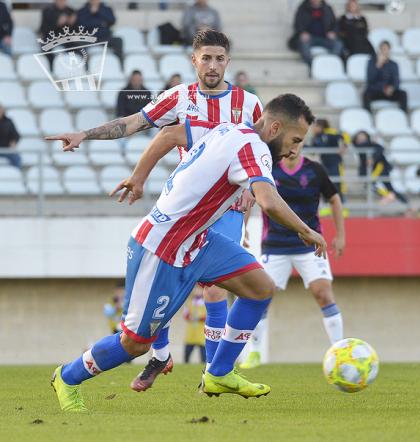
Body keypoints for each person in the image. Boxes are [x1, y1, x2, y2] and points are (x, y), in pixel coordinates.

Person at [51, 93, 327, 412]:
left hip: (198, 240)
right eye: (295, 140)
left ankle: (218, 373)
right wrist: (305, 230)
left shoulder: (231, 129)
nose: (295, 150)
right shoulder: (254, 147)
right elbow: (267, 200)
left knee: (261, 288)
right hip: (161, 245)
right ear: (276, 127)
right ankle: (67, 378)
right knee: (135, 344)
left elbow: (172, 135)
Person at [46, 29, 263, 392]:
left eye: (219, 58)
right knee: (167, 283)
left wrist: (251, 193)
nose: (212, 65)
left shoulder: (248, 104)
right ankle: (160, 353)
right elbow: (133, 123)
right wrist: (85, 134)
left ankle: (213, 374)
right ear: (194, 60)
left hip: (226, 209)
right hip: (183, 209)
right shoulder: (179, 98)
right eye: (205, 58)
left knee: (214, 289)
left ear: (228, 61)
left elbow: (256, 153)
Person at [239, 136, 347, 369]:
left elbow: (335, 199)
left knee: (323, 293)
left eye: (298, 143)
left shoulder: (315, 170)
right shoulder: (269, 170)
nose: (294, 147)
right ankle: (254, 352)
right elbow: (250, 196)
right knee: (261, 297)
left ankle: (340, 352)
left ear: (303, 145)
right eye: (291, 143)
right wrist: (243, 227)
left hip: (309, 244)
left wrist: (340, 235)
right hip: (275, 245)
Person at [353, 130, 407, 204]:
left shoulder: (372, 144)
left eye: (363, 137)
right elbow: (357, 146)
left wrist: (373, 158)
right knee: (372, 186)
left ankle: (403, 202)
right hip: (373, 170)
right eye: (359, 138)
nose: (361, 139)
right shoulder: (360, 146)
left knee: (372, 185)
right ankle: (395, 198)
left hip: (380, 168)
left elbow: (380, 149)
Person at [292, 0, 343, 66]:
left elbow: (335, 24)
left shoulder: (327, 8)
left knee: (338, 44)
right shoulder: (302, 9)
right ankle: (312, 65)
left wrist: (333, 32)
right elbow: (297, 24)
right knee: (303, 44)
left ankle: (328, 63)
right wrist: (302, 32)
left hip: (325, 38)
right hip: (310, 38)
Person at [363, 41, 408, 112]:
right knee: (366, 94)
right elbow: (370, 81)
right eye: (383, 49)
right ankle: (367, 114)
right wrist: (378, 65)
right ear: (379, 50)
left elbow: (397, 81)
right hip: (376, 91)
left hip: (389, 92)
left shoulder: (393, 64)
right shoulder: (371, 63)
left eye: (386, 49)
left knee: (403, 94)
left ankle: (403, 114)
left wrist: (392, 88)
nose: (385, 52)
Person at [310, 119, 349, 202]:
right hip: (325, 164)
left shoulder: (331, 132)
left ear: (320, 126)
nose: (313, 128)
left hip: (336, 163)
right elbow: (314, 149)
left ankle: (343, 206)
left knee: (338, 184)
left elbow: (345, 135)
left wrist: (344, 146)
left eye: (315, 126)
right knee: (326, 184)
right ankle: (328, 206)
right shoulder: (317, 137)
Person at [183, 287, 207, 364]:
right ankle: (186, 365)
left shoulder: (206, 302)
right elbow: (186, 315)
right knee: (187, 354)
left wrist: (198, 318)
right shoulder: (190, 302)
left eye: (199, 290)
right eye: (196, 290)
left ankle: (203, 366)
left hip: (202, 333)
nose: (197, 292)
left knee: (203, 355)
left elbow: (207, 316)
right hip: (191, 333)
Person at [0, 104, 20, 169]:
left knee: (17, 158)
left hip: (6, 149)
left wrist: (14, 142)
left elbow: (16, 135)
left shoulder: (8, 122)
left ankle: (17, 175)